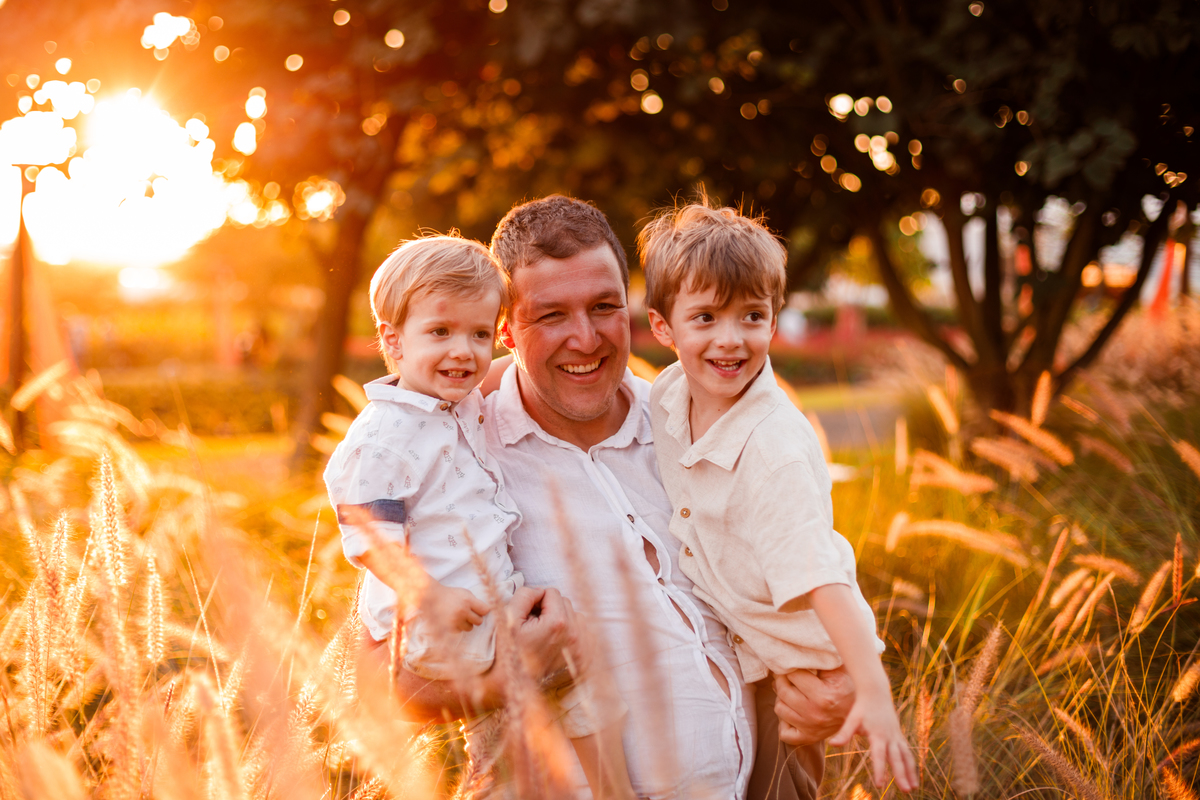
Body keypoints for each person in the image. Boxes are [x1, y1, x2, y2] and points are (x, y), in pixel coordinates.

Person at [388, 196, 856, 799]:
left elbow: (802, 573)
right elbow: (383, 681)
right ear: (505, 328)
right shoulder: (453, 461)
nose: (585, 338)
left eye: (604, 307)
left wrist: (835, 688)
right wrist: (511, 671)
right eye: (550, 315)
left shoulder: (697, 424)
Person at [325, 234, 636, 800]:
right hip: (436, 622)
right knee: (567, 665)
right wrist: (429, 596)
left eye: (477, 334)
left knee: (516, 725)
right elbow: (369, 535)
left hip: (483, 606)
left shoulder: (454, 403)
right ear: (392, 340)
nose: (463, 352)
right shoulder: (383, 436)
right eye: (439, 333)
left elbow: (505, 376)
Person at [640, 202, 918, 794]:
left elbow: (822, 576)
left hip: (794, 672)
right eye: (706, 317)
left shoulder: (773, 449)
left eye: (751, 316)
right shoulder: (666, 396)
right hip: (739, 651)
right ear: (663, 327)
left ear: (773, 321)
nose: (730, 339)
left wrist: (872, 689)